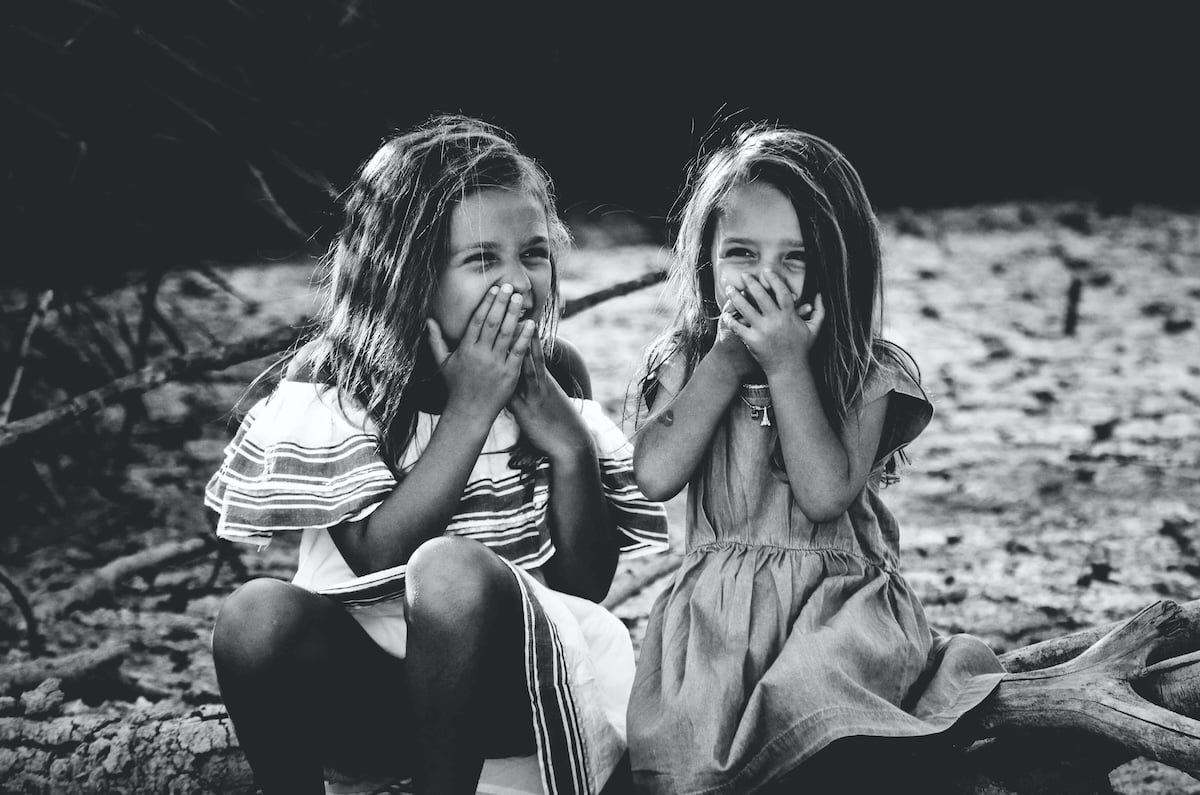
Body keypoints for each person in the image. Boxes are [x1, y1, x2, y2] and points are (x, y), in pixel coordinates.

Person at [205, 114, 669, 795]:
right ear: (410, 272)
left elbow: (582, 588)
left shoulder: (555, 373)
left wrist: (570, 448)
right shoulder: (337, 380)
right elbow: (375, 555)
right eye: (483, 259)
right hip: (371, 695)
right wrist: (472, 409)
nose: (516, 281)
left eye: (533, 253)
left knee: (453, 571)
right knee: (253, 614)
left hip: (517, 695)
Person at [625, 123, 1007, 793]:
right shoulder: (686, 360)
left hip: (835, 612)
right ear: (706, 260)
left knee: (815, 693)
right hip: (718, 626)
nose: (764, 278)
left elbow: (824, 491)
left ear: (836, 264)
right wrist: (724, 363)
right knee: (692, 752)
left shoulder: (864, 372)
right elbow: (656, 473)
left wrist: (786, 364)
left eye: (794, 257)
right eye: (741, 252)